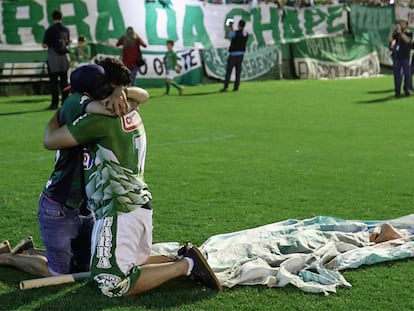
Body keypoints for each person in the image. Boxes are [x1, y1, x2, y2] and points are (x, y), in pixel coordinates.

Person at [42, 64, 222, 296]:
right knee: (134, 262)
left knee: (111, 284)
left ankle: (186, 265)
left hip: (118, 209)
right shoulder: (129, 108)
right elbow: (141, 95)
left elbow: (50, 140)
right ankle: (182, 256)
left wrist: (57, 115)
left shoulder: (98, 120)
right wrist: (121, 92)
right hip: (137, 204)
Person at [0, 61, 148, 278]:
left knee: (85, 266)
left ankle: (27, 251)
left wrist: (119, 91)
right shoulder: (74, 102)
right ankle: (7, 258)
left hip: (83, 205)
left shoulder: (89, 102)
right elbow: (51, 140)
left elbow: (141, 96)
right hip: (59, 202)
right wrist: (117, 97)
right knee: (58, 273)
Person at [42, 10, 71, 110]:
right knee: (64, 81)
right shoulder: (66, 29)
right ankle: (65, 102)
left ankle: (54, 103)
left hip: (53, 57)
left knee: (54, 82)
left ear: (53, 18)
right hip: (64, 57)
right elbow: (67, 43)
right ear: (61, 18)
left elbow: (45, 45)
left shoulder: (50, 30)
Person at [220, 19, 249, 92]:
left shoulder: (235, 33)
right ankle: (236, 87)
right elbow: (238, 34)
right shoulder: (245, 33)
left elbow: (227, 36)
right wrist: (232, 29)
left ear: (238, 25)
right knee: (238, 72)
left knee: (229, 71)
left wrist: (229, 27)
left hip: (233, 54)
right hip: (241, 54)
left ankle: (226, 87)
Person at [388, 18, 413, 98]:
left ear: (406, 24)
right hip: (397, 57)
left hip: (405, 57)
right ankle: (397, 91)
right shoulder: (396, 34)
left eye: (403, 23)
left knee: (407, 74)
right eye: (400, 23)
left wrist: (401, 33)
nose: (401, 24)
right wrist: (391, 31)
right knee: (397, 75)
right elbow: (390, 40)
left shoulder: (409, 33)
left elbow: (408, 40)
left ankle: (406, 89)